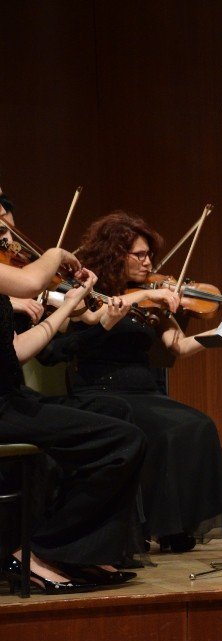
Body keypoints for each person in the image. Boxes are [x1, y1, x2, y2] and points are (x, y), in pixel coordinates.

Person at [53, 211, 222, 552]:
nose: (148, 261)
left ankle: (175, 528)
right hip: (101, 392)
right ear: (114, 254)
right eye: (140, 254)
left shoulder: (152, 300)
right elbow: (73, 341)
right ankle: (148, 527)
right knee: (166, 430)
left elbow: (177, 347)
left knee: (199, 425)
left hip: (145, 393)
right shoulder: (91, 295)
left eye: (149, 254)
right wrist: (134, 301)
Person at [1, 198, 146, 592]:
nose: (4, 226)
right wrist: (57, 253)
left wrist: (68, 306)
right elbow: (32, 282)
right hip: (4, 407)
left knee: (118, 420)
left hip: (11, 397)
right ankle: (39, 550)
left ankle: (79, 551)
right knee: (122, 440)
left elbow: (15, 352)